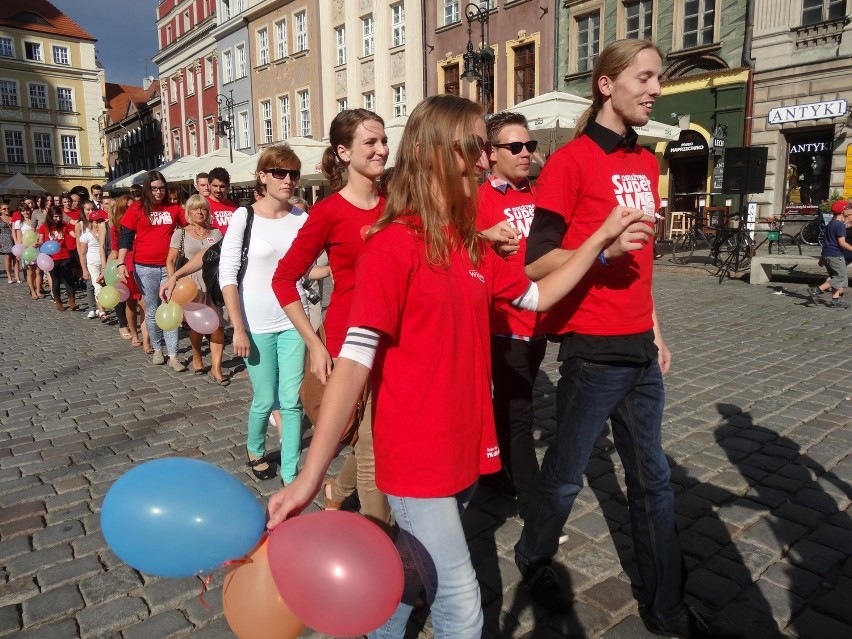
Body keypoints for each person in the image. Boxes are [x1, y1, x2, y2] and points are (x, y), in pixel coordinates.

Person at [266, 94, 651, 638]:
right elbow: (354, 364)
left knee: (409, 571)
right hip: (415, 456)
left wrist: (598, 242)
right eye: (473, 147)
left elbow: (537, 297)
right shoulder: (391, 244)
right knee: (463, 608)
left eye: (484, 149)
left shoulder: (469, 245)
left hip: (466, 448)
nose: (483, 160)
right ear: (429, 152)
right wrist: (309, 478)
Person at [513, 39, 717, 639]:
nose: (654, 89)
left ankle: (667, 608)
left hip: (639, 351)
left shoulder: (644, 163)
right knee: (568, 476)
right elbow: (536, 263)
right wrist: (600, 250)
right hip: (592, 350)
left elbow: (644, 263)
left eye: (657, 79)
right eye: (645, 78)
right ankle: (533, 556)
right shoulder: (571, 163)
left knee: (653, 480)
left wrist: (655, 330)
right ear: (607, 84)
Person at [271, 108, 394, 533]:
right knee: (374, 444)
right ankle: (384, 547)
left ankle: (336, 494)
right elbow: (283, 279)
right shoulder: (327, 213)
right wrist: (315, 343)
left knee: (374, 437)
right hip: (348, 340)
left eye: (383, 141)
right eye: (370, 143)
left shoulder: (396, 205)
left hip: (395, 339)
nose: (381, 150)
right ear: (343, 152)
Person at [220, 145, 310, 484]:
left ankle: (290, 471)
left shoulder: (302, 218)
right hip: (255, 323)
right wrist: (237, 328)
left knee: (291, 400)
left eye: (294, 174)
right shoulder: (245, 217)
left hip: (293, 320)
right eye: (280, 173)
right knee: (264, 398)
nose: (288, 180)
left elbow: (308, 268)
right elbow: (227, 274)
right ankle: (255, 450)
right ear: (263, 176)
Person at [474, 111, 547, 518]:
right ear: (492, 152)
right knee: (520, 409)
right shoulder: (479, 200)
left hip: (536, 322)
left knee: (510, 403)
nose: (525, 153)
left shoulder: (538, 195)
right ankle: (531, 498)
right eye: (515, 147)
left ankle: (491, 468)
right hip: (502, 324)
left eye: (529, 146)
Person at [117, 171, 186, 370]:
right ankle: (157, 349)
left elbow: (190, 227)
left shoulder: (174, 209)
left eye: (161, 188)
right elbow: (126, 238)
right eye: (154, 188)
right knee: (153, 309)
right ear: (148, 188)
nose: (158, 192)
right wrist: (121, 263)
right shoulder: (137, 208)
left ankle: (173, 355)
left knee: (171, 307)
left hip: (169, 267)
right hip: (144, 266)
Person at [164, 194, 226, 382]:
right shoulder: (181, 233)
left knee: (218, 324)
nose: (200, 212)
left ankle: (217, 368)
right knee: (197, 325)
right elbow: (170, 260)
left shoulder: (215, 233)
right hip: (191, 284)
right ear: (189, 212)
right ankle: (197, 355)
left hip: (213, 283)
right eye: (196, 208)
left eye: (204, 208)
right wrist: (172, 281)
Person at [108, 195, 146, 347]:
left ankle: (147, 337)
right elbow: (115, 252)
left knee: (144, 303)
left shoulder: (142, 223)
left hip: (143, 264)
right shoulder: (116, 228)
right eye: (129, 207)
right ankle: (134, 334)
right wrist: (105, 271)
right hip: (127, 267)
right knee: (130, 303)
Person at [808, 199, 852, 309]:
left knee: (835, 277)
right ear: (843, 211)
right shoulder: (840, 225)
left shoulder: (830, 224)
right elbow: (842, 243)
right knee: (840, 278)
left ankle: (835, 301)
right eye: (848, 208)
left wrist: (823, 258)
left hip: (828, 255)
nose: (850, 210)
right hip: (836, 255)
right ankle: (816, 290)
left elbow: (826, 242)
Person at [38, 206, 78, 311]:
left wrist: (79, 232)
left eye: (59, 216)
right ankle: (58, 301)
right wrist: (36, 244)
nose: (58, 219)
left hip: (65, 256)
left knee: (69, 279)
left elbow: (73, 234)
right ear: (50, 216)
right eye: (55, 217)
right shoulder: (44, 227)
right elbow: (41, 241)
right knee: (55, 281)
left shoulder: (64, 225)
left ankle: (72, 300)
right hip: (51, 258)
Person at [78, 203, 108, 320]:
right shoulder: (85, 236)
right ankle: (101, 311)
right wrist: (84, 269)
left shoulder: (106, 233)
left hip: (105, 262)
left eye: (100, 221)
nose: (98, 224)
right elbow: (82, 254)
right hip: (93, 263)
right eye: (96, 221)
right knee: (97, 286)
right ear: (91, 222)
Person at [206, 166, 238, 234]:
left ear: (228, 186)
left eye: (222, 186)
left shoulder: (234, 207)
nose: (218, 190)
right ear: (209, 185)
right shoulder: (203, 205)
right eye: (215, 186)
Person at [0, 203, 14, 283]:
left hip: (13, 238)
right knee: (8, 257)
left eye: (8, 208)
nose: (6, 210)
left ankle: (16, 276)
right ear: (0, 210)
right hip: (4, 239)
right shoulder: (0, 218)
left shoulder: (12, 218)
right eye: (4, 209)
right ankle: (9, 276)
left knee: (15, 258)